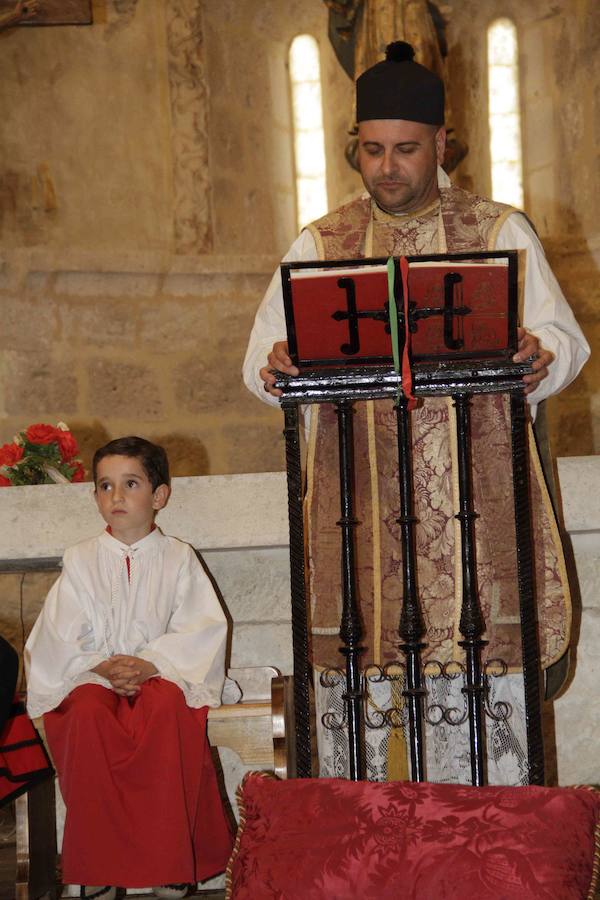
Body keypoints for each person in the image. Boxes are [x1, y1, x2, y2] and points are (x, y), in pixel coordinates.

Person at [243, 42, 590, 783]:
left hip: (475, 526)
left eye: (405, 149)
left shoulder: (500, 232)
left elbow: (567, 341)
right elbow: (260, 359)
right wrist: (273, 365)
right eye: (372, 150)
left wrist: (539, 350)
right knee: (367, 707)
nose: (387, 167)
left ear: (442, 143)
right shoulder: (321, 243)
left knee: (482, 715)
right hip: (357, 518)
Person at [25, 436, 233, 900]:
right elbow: (59, 633)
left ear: (159, 496)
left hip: (161, 676)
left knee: (164, 709)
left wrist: (150, 664)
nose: (115, 497)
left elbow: (200, 627)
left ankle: (169, 866)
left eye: (130, 483)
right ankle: (98, 866)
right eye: (104, 485)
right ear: (95, 495)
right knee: (84, 713)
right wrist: (99, 665)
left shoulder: (179, 557)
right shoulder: (80, 559)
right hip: (93, 677)